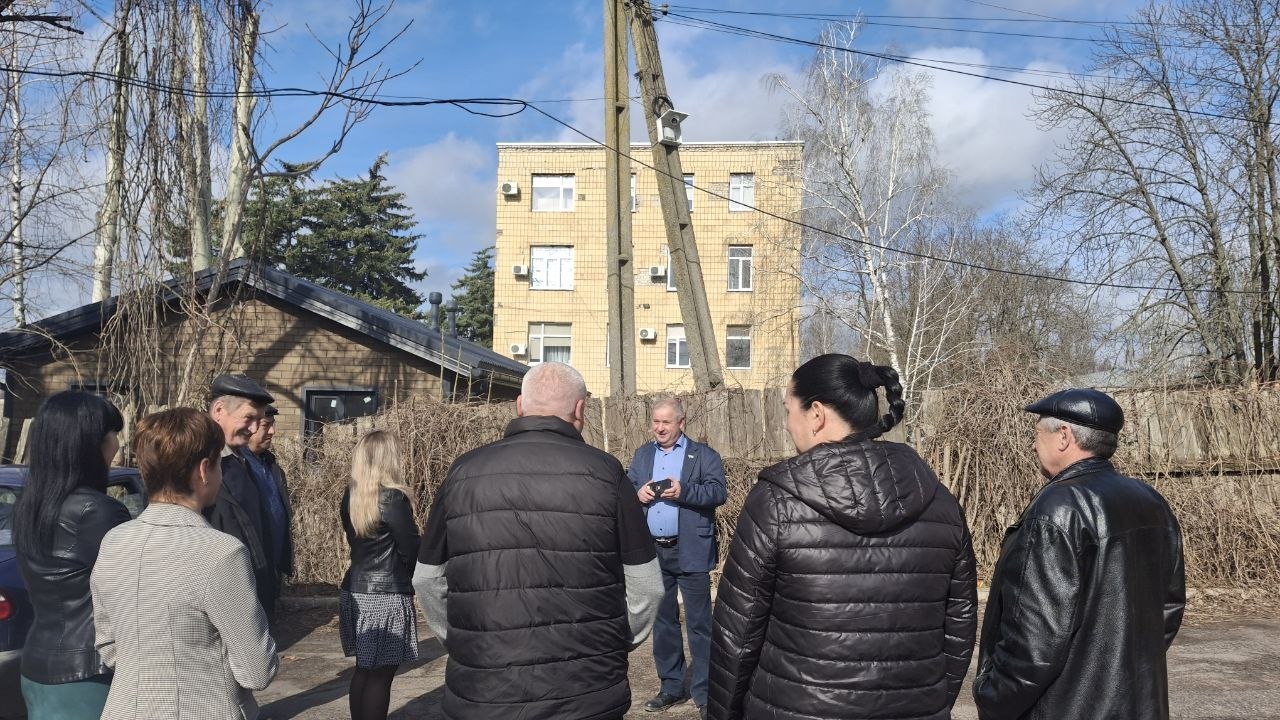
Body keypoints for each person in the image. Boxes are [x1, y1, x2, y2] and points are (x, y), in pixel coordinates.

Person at [708, 354, 977, 720]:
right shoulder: (941, 502)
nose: (786, 423)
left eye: (789, 410)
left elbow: (737, 632)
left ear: (816, 414)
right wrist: (930, 701)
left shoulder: (775, 502)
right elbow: (959, 626)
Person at [414, 362, 664, 720]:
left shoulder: (463, 472)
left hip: (485, 692)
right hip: (585, 692)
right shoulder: (607, 473)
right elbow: (647, 586)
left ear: (520, 406)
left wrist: (462, 640)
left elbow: (426, 578)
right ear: (580, 409)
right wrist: (615, 642)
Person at [972, 388, 1185, 720]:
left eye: (1037, 434)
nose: (1033, 445)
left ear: (1064, 436)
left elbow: (1033, 646)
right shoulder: (1150, 501)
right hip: (1139, 705)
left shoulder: (1057, 509)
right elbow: (1168, 610)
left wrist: (991, 696)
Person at [90, 407, 278, 720]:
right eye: (219, 464)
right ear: (204, 470)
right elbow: (257, 670)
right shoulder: (222, 553)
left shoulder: (113, 541)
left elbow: (108, 644)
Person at [12, 391, 131, 719]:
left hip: (37, 665)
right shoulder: (97, 511)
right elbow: (135, 593)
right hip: (87, 672)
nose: (118, 444)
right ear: (88, 444)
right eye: (113, 433)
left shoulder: (30, 505)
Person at [627, 396, 725, 718]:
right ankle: (671, 687)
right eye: (656, 422)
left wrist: (684, 491)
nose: (659, 428)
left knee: (700, 625)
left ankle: (706, 693)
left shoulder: (704, 455)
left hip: (691, 549)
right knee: (664, 622)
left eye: (666, 422)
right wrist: (637, 494)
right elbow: (627, 491)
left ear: (681, 423)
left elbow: (718, 492)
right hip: (654, 551)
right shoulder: (643, 455)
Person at [340, 430, 420, 720]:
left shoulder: (351, 496)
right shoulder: (392, 498)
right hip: (386, 594)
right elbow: (410, 548)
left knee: (365, 669)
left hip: (355, 591)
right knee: (381, 674)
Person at [204, 373, 281, 617]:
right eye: (249, 418)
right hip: (225, 600)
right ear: (219, 411)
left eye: (259, 420)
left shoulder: (244, 460)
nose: (255, 428)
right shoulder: (200, 465)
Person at [244, 404, 295, 608]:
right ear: (249, 426)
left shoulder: (271, 465)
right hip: (249, 569)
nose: (272, 431)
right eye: (266, 425)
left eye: (273, 425)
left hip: (272, 566)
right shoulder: (235, 467)